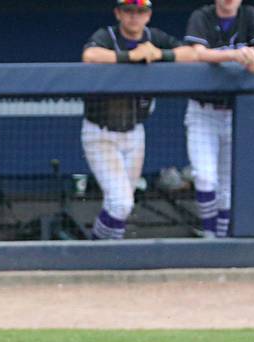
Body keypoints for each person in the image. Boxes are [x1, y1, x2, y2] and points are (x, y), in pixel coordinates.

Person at [81, 0, 195, 240]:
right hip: (100, 133)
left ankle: (103, 250)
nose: (134, 17)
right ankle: (97, 252)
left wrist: (162, 53)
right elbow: (90, 55)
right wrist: (131, 56)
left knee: (123, 203)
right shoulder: (107, 35)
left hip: (134, 133)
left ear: (148, 15)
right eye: (128, 11)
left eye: (140, 11)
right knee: (121, 202)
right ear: (118, 13)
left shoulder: (154, 37)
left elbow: (192, 53)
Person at [183, 0, 254, 238]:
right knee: (204, 177)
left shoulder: (251, 16)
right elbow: (196, 53)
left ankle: (220, 239)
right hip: (204, 111)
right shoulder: (202, 16)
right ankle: (210, 236)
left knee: (228, 186)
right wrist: (236, 55)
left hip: (238, 114)